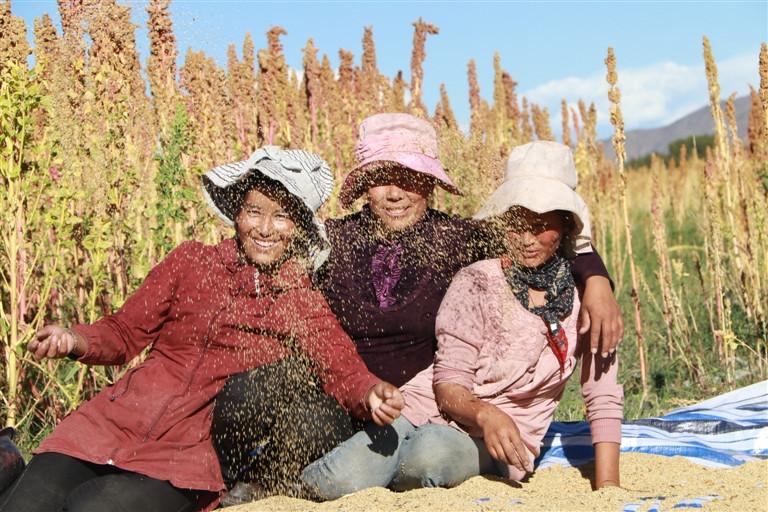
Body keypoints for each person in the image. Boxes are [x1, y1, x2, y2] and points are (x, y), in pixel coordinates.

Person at [213, 113, 623, 499]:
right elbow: (265, 241)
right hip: (347, 404)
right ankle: (233, 485)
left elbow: (544, 241)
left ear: (429, 183)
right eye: (381, 179)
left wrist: (596, 280)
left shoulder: (459, 240)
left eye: (409, 178)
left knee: (419, 457)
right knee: (268, 401)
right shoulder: (332, 241)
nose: (395, 193)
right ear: (364, 186)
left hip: (419, 414)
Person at [0, 146, 404, 512]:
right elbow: (123, 333)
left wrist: (370, 393)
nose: (265, 228)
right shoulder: (191, 262)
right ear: (237, 214)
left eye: (281, 216)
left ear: (298, 227)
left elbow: (341, 368)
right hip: (111, 424)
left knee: (91, 507)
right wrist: (74, 339)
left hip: (187, 456)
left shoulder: (300, 299)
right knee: (26, 505)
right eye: (255, 211)